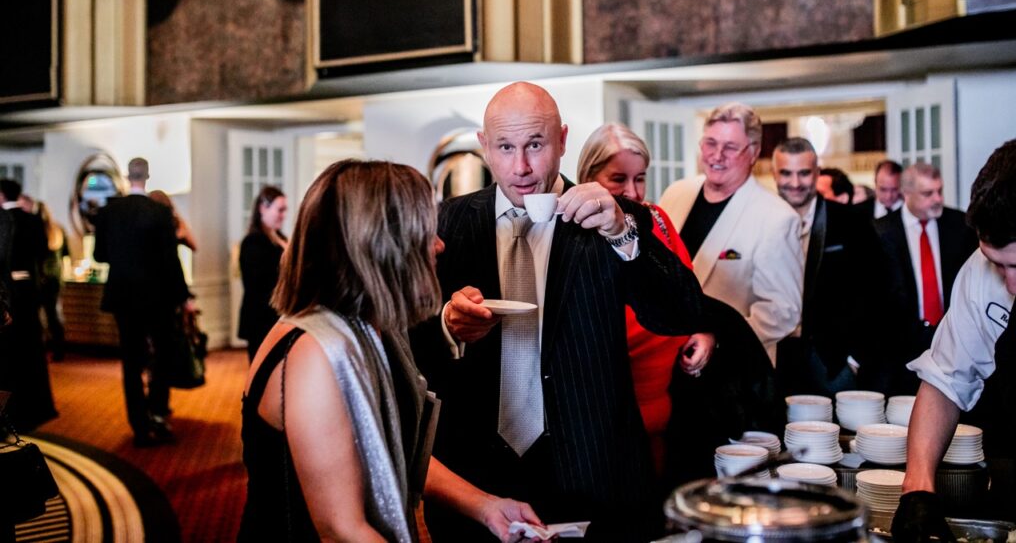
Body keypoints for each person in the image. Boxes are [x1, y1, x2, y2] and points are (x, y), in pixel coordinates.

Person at [410, 82, 706, 541]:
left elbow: (681, 312)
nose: (522, 166)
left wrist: (622, 233)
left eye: (535, 144)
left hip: (594, 471)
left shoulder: (614, 216)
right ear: (485, 148)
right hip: (477, 476)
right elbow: (407, 339)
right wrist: (448, 326)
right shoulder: (448, 223)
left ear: (563, 140)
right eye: (505, 147)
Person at [239, 159, 542, 542]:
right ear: (383, 245)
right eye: (425, 231)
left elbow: (399, 454)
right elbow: (342, 529)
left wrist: (486, 506)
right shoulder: (315, 354)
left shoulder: (372, 326)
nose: (439, 244)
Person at [891, 139, 1016, 537]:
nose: (1012, 282)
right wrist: (918, 491)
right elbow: (947, 378)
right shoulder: (978, 273)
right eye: (998, 264)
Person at [576, 123, 715, 474]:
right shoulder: (574, 233)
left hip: (669, 401)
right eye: (619, 179)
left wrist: (702, 332)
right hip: (609, 410)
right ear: (587, 176)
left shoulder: (657, 219)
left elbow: (687, 293)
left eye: (641, 178)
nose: (634, 192)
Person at [659, 102, 803, 365]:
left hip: (733, 369)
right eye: (710, 143)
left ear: (753, 152)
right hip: (665, 360)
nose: (716, 155)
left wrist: (719, 337)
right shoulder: (675, 193)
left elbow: (783, 312)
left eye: (730, 147)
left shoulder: (777, 218)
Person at [93, 158, 196, 446]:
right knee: (161, 356)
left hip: (123, 296)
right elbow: (170, 260)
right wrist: (183, 297)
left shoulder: (109, 212)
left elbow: (99, 255)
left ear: (127, 177)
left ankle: (138, 424)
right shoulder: (160, 212)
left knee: (131, 360)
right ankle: (158, 413)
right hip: (157, 296)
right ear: (147, 176)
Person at [771, 138, 885, 396]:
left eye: (804, 173)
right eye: (786, 173)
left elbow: (878, 289)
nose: (795, 183)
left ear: (817, 173)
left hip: (833, 361)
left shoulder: (851, 221)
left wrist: (855, 360)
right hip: (776, 357)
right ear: (774, 174)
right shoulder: (760, 221)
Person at [873, 162, 977, 395]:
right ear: (906, 193)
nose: (937, 199)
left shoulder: (960, 226)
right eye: (928, 193)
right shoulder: (881, 231)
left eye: (939, 191)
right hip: (898, 347)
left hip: (949, 343)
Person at [0, 179, 57, 431]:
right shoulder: (32, 220)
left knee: (9, 351)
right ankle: (37, 404)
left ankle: (12, 409)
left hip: (8, 294)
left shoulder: (3, 220)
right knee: (31, 347)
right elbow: (43, 252)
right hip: (28, 290)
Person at [238, 186, 288, 361]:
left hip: (279, 315)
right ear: (263, 208)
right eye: (279, 209)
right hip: (261, 318)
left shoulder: (282, 239)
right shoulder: (253, 242)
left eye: (285, 210)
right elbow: (257, 284)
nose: (283, 215)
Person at [37, 202, 68, 361]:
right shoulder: (58, 229)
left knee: (40, 317)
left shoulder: (36, 230)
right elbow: (66, 255)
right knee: (55, 315)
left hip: (41, 278)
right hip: (56, 278)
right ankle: (59, 349)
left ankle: (41, 349)